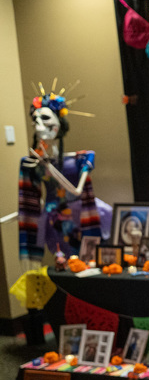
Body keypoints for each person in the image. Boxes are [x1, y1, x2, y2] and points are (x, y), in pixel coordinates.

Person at [18, 84, 111, 267]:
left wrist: (48, 167)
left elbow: (76, 191)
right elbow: (30, 201)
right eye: (35, 121)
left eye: (45, 119)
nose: (39, 126)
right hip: (53, 221)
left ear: (59, 123)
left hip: (80, 217)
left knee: (87, 263)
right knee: (63, 263)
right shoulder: (31, 163)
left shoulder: (81, 159)